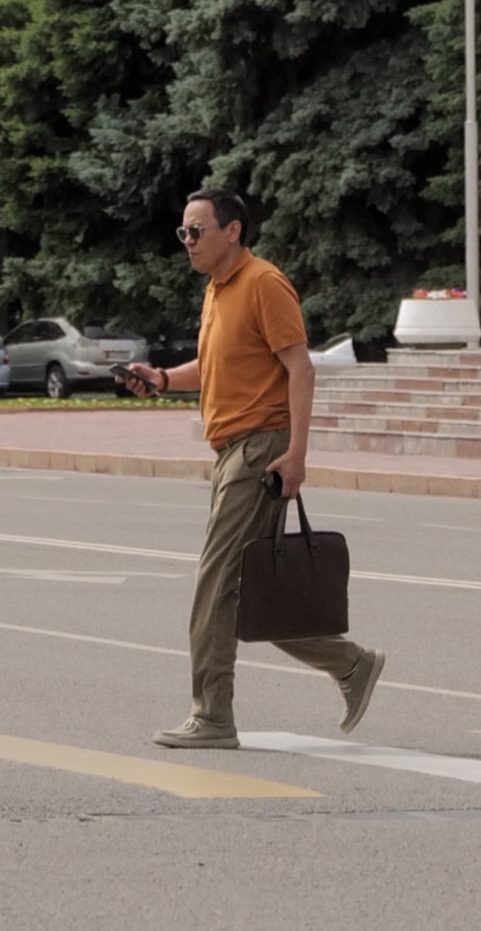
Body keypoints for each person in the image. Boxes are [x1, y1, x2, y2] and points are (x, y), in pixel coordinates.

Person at [118, 186, 380, 749]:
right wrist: (162, 379)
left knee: (217, 585)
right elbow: (212, 368)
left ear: (231, 231)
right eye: (182, 232)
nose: (187, 241)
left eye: (197, 231)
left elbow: (300, 370)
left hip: (260, 447)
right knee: (251, 591)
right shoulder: (217, 291)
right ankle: (350, 665)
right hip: (233, 451)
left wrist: (299, 454)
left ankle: (213, 716)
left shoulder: (263, 283)